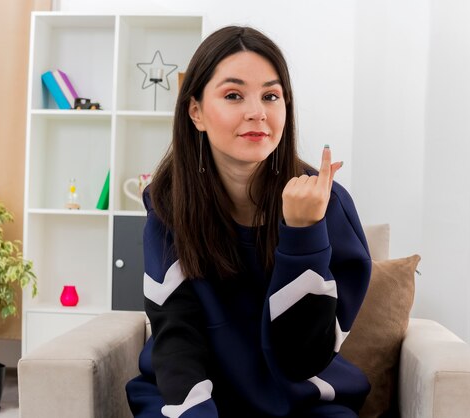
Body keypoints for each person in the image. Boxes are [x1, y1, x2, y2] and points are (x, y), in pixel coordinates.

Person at [126, 25, 372, 418]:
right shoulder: (169, 205)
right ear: (196, 112)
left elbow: (303, 359)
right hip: (190, 395)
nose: (257, 112)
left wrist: (303, 233)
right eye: (233, 95)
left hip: (300, 399)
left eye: (271, 96)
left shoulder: (328, 205)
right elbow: (177, 342)